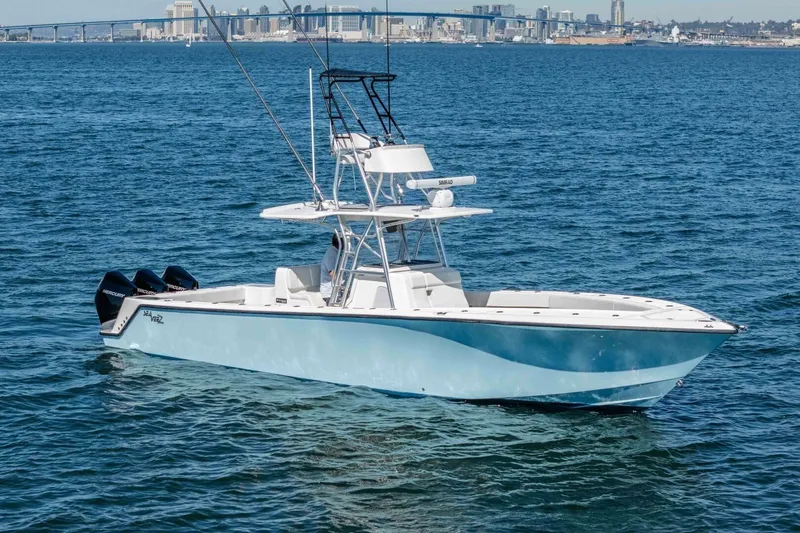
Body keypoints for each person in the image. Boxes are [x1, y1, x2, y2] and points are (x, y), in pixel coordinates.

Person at [319, 234, 340, 303]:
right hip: (329, 292)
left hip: (334, 290)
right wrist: (340, 285)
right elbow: (332, 272)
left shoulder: (335, 252)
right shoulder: (331, 253)